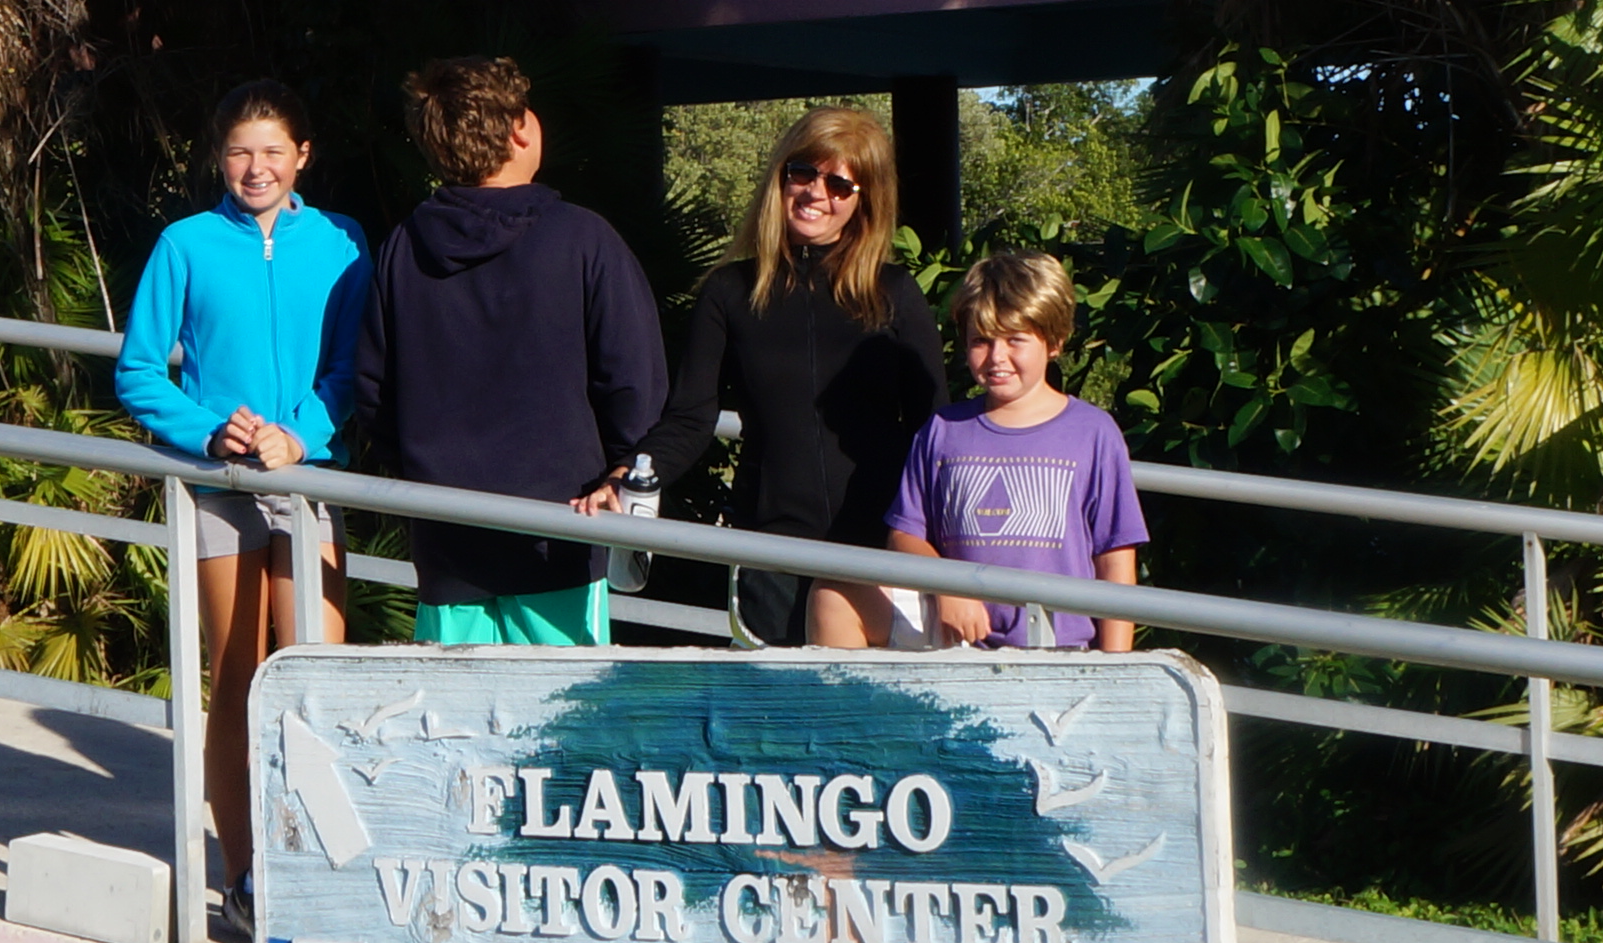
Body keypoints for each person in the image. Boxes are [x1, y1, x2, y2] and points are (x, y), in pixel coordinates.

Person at [112, 79, 363, 897]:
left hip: (307, 479)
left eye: (272, 152)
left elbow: (353, 369)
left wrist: (301, 435)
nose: (256, 168)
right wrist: (210, 430)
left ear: (303, 156)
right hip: (219, 484)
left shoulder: (341, 241)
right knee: (238, 677)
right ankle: (246, 871)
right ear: (220, 159)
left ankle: (320, 864)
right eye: (239, 152)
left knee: (317, 672)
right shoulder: (185, 244)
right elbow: (141, 373)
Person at [355, 54, 666, 646]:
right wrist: (624, 465)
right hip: (564, 531)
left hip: (447, 535)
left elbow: (373, 390)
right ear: (521, 127)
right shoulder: (583, 239)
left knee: (454, 729)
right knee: (562, 726)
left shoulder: (401, 248)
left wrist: (421, 474)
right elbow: (634, 380)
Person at [677, 102, 941, 646]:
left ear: (865, 201)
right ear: (781, 176)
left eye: (840, 184)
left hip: (879, 555)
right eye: (803, 172)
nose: (816, 193)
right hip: (770, 553)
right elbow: (688, 418)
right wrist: (625, 478)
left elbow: (934, 430)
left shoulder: (894, 293)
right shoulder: (729, 291)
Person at [890, 247, 1145, 652]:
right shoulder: (942, 430)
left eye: (1015, 340)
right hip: (959, 650)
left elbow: (1114, 557)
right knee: (833, 598)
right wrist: (947, 586)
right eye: (981, 341)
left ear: (1055, 341)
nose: (997, 357)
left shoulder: (1094, 432)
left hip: (1060, 654)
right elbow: (904, 534)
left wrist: (1115, 669)